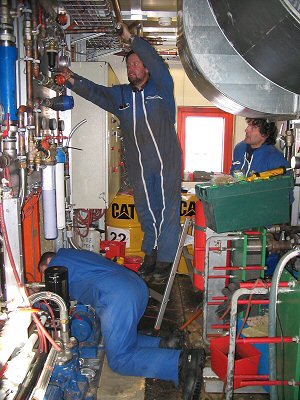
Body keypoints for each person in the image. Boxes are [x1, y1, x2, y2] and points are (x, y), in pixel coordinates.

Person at [60, 23, 182, 280]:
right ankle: (151, 253)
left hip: (166, 162)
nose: (132, 69)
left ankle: (167, 259)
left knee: (166, 209)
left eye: (136, 64)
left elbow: (158, 65)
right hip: (139, 164)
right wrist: (70, 77)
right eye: (129, 65)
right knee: (146, 210)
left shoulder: (161, 89)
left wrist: (134, 41)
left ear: (146, 67)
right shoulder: (122, 96)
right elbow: (96, 93)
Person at [38, 248, 206, 400]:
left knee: (120, 359)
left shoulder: (57, 267)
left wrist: (34, 302)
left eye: (44, 273)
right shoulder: (72, 254)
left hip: (118, 296)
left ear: (49, 262)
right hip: (137, 287)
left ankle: (182, 363)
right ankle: (166, 344)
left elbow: (52, 300)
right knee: (121, 341)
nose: (46, 279)